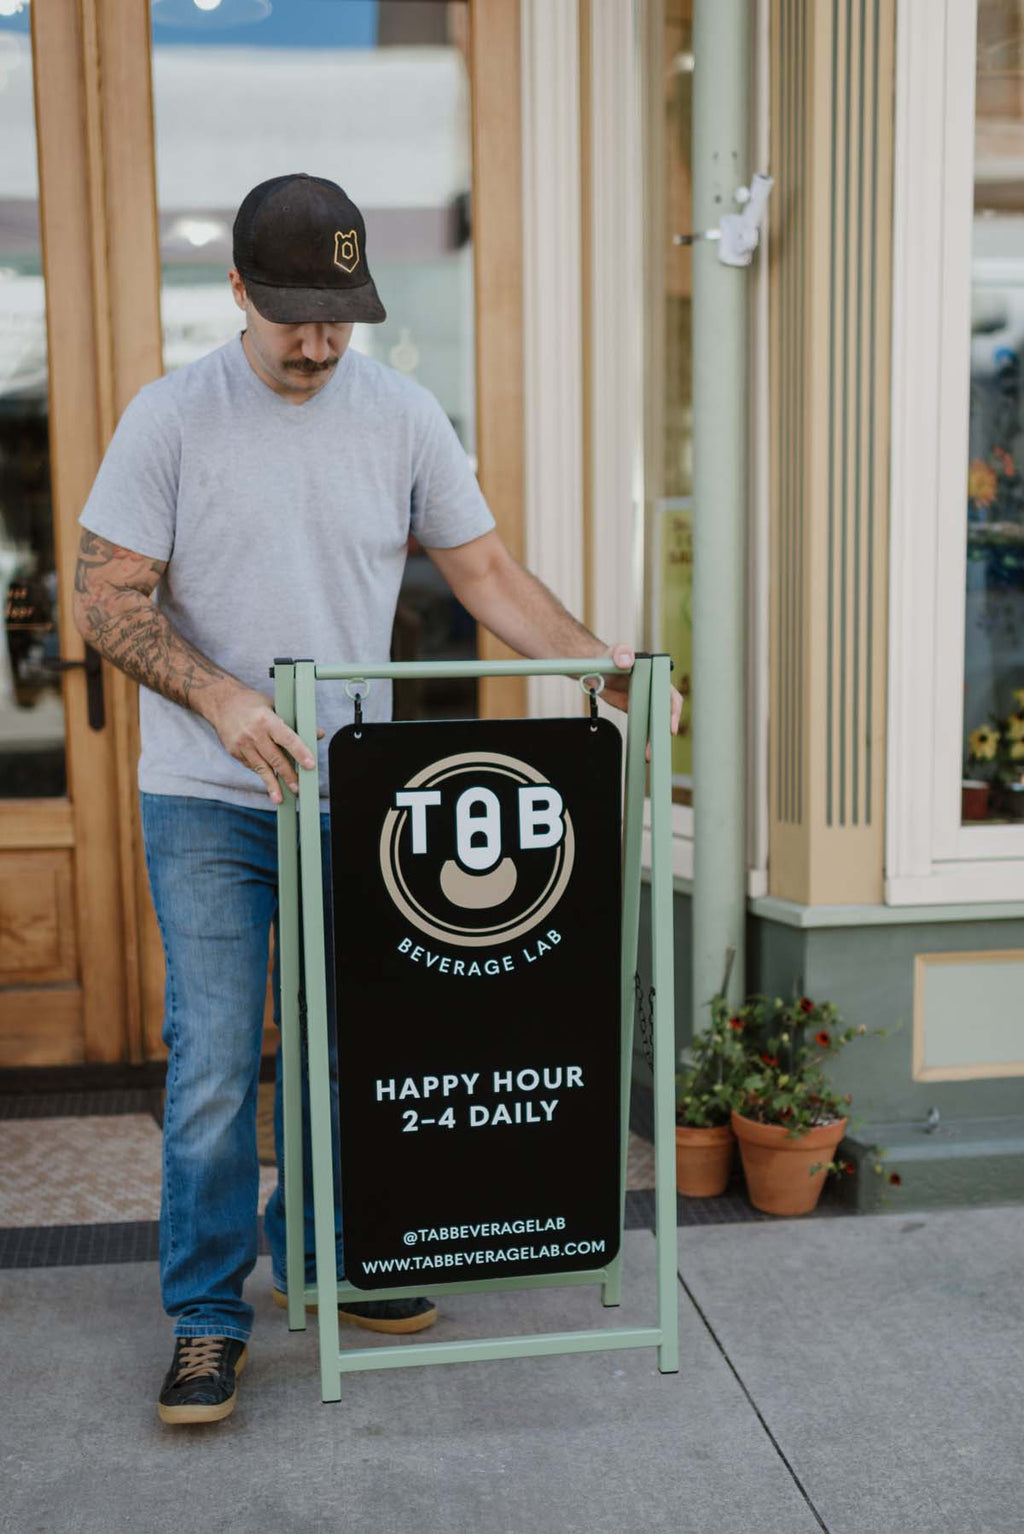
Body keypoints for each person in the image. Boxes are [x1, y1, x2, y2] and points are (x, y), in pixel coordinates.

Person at [73, 173, 682, 1427]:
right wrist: (225, 700)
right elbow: (106, 598)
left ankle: (326, 1259)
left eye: (338, 313)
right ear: (236, 291)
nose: (316, 340)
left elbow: (487, 572)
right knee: (211, 1067)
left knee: (349, 1054)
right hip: (208, 796)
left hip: (353, 801)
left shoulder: (402, 413)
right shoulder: (169, 418)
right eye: (292, 312)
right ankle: (205, 1316)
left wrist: (595, 665)